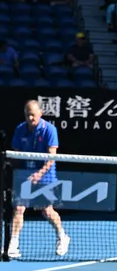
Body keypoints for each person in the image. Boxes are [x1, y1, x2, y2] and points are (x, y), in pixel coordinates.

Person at [7, 100, 71, 259]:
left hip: (46, 176)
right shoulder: (20, 129)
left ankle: (62, 236)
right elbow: (16, 155)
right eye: (27, 114)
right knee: (19, 208)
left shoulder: (50, 130)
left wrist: (39, 174)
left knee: (47, 211)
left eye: (33, 115)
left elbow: (51, 158)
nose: (30, 118)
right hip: (24, 176)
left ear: (40, 114)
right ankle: (13, 244)